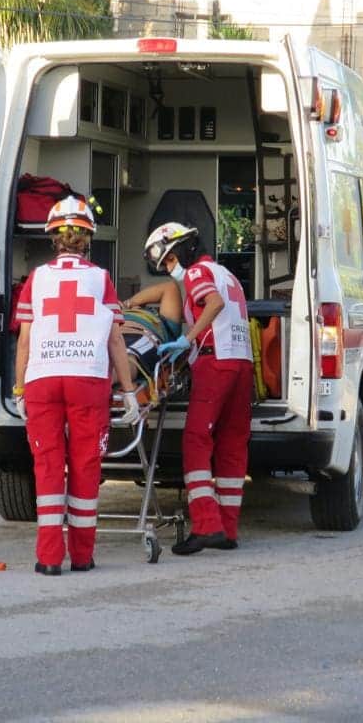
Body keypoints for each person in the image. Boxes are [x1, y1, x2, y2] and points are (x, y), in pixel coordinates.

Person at [14, 196, 140, 576]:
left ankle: (49, 558)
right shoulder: (100, 279)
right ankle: (82, 556)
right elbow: (116, 340)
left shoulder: (36, 279)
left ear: (54, 238)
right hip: (88, 378)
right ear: (87, 239)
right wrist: (130, 391)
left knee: (48, 465)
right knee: (85, 464)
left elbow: (24, 341)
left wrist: (20, 390)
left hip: (43, 379)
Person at [146, 222, 254, 555]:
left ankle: (207, 525)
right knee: (232, 443)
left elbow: (214, 303)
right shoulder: (227, 273)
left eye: (167, 261)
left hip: (215, 360)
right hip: (242, 363)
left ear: (178, 250)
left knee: (196, 439)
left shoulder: (196, 274)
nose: (168, 268)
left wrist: (187, 340)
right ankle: (228, 529)